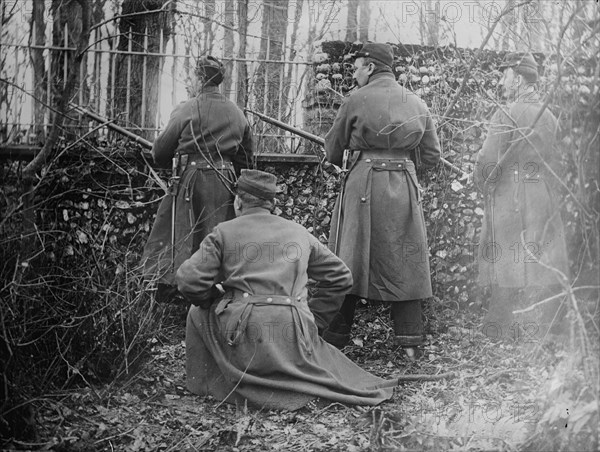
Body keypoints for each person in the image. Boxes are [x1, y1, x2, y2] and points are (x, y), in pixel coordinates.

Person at [176, 169, 396, 410]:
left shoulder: (223, 232)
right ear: (274, 204)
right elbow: (341, 277)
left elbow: (189, 280)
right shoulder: (299, 232)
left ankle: (207, 383)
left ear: (238, 201)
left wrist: (212, 298)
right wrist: (315, 321)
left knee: (197, 312)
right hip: (293, 333)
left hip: (242, 334)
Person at [322, 43, 441, 358]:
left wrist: (349, 156)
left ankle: (334, 340)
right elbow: (431, 156)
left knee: (349, 255)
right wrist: (403, 162)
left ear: (371, 67)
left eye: (357, 67)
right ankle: (411, 344)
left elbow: (333, 149)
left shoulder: (356, 100)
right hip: (403, 183)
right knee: (406, 261)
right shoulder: (417, 102)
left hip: (364, 182)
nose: (355, 73)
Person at [474, 52, 570, 340]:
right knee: (544, 254)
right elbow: (555, 161)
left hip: (510, 195)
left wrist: (482, 183)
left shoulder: (505, 113)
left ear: (518, 78)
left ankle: (498, 327)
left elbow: (488, 161)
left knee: (505, 258)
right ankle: (554, 327)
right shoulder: (550, 117)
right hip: (540, 192)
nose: (503, 82)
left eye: (505, 75)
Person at [141, 55, 254, 299]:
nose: (190, 81)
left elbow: (160, 152)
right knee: (218, 238)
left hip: (191, 181)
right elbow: (247, 162)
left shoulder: (187, 108)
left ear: (202, 78)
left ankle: (176, 291)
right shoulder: (237, 113)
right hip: (226, 183)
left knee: (182, 235)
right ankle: (213, 290)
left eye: (193, 76)